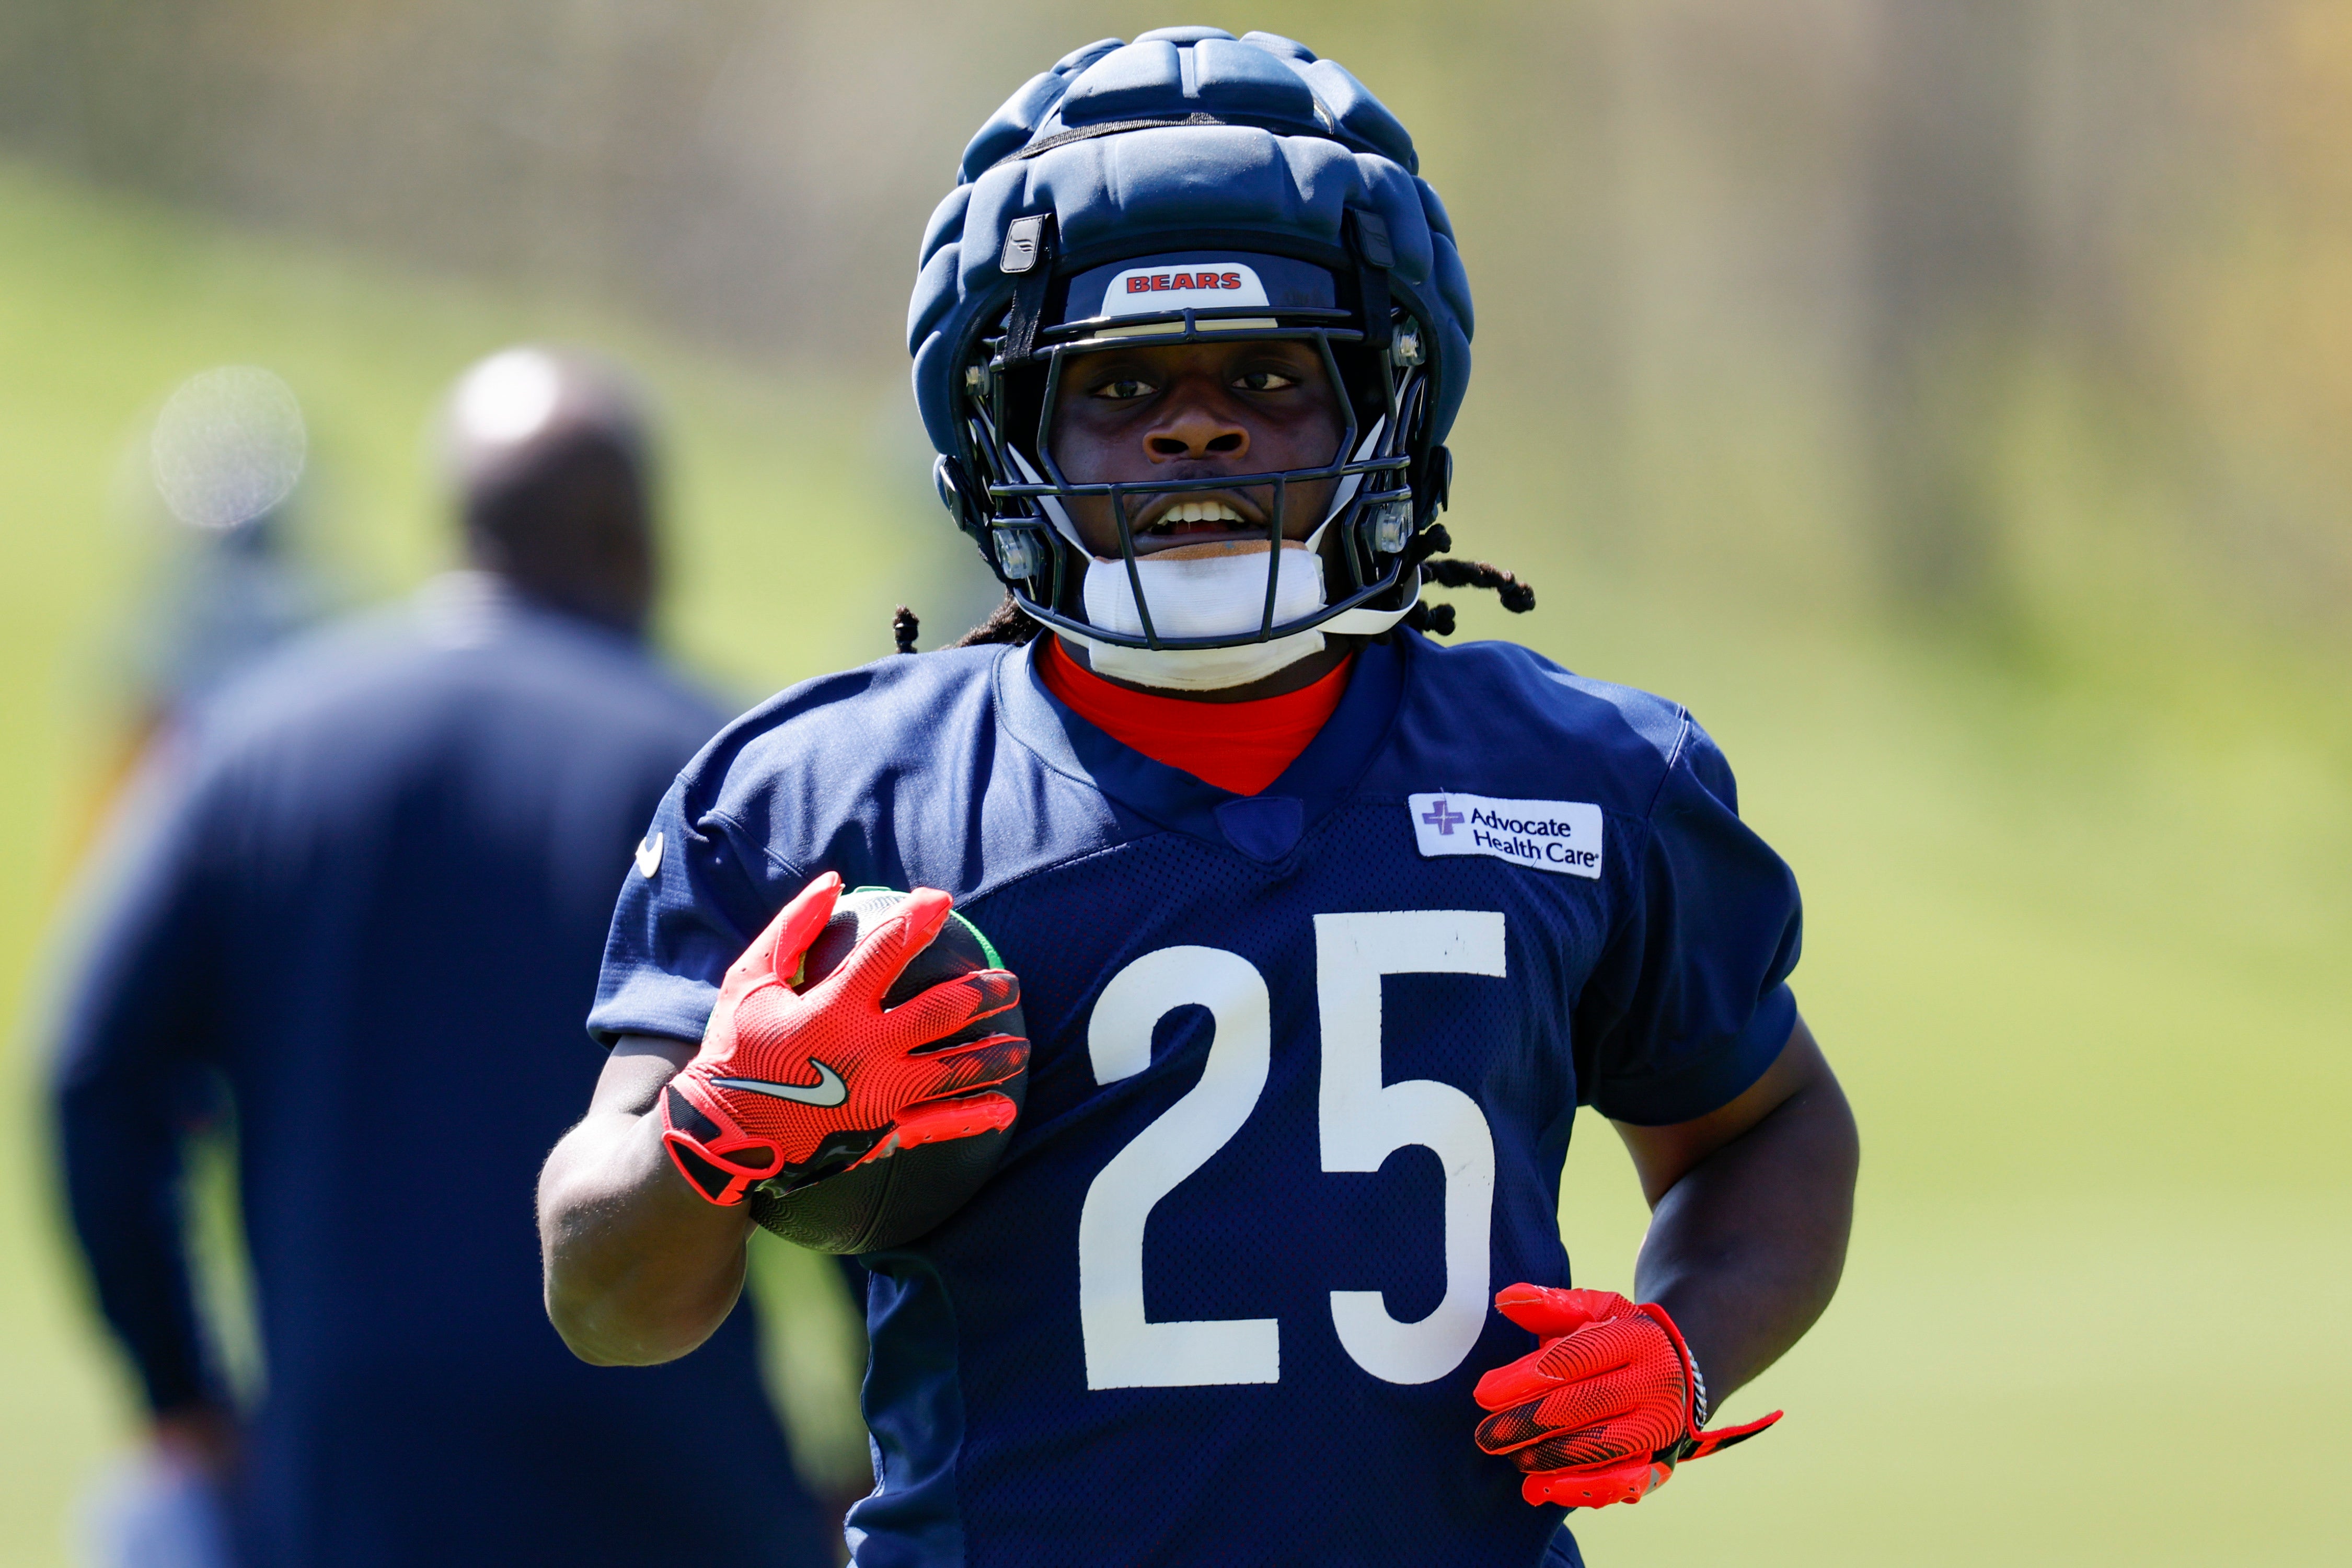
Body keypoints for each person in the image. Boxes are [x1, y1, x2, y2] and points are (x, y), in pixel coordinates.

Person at [540, 29, 1858, 1568]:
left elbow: (1765, 1125)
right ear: (1002, 428)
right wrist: (719, 1126)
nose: (1195, 428)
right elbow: (609, 1299)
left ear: (1386, 402)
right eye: (1117, 382)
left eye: (1269, 375)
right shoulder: (824, 799)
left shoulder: (1578, 778)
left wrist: (1681, 1346)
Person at [53, 347, 836, 1568]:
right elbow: (855, 1102)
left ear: (465, 522)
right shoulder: (732, 781)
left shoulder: (254, 747)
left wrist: (184, 1403)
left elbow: (91, 1078)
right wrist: (875, 1443)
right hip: (674, 1481)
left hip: (352, 1481)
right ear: (636, 544)